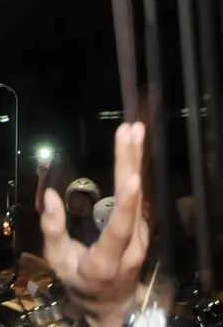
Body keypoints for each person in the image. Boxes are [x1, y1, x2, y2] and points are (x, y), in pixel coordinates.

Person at [41, 122, 152, 327]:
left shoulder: (100, 228)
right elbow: (42, 209)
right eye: (75, 201)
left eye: (84, 200)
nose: (80, 206)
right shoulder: (67, 227)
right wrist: (42, 179)